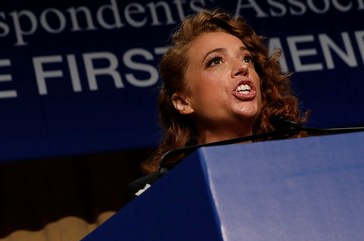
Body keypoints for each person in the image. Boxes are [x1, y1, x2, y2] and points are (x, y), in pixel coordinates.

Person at [127, 9, 308, 199]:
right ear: (183, 102)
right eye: (215, 61)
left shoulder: (302, 170)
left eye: (247, 58)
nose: (242, 68)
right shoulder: (157, 191)